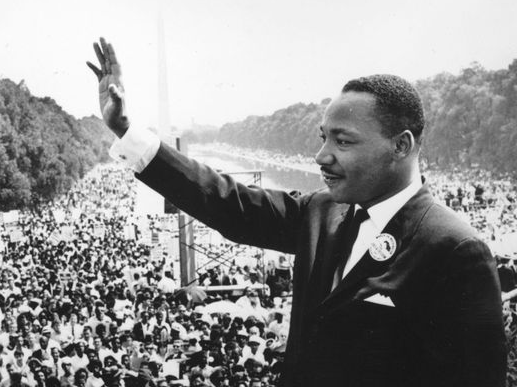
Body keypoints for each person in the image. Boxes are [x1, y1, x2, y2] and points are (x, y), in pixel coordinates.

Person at [87, 37, 507, 387]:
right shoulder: (321, 211)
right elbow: (224, 200)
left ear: (401, 146)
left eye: (343, 141)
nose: (321, 156)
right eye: (323, 138)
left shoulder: (455, 250)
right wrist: (128, 131)